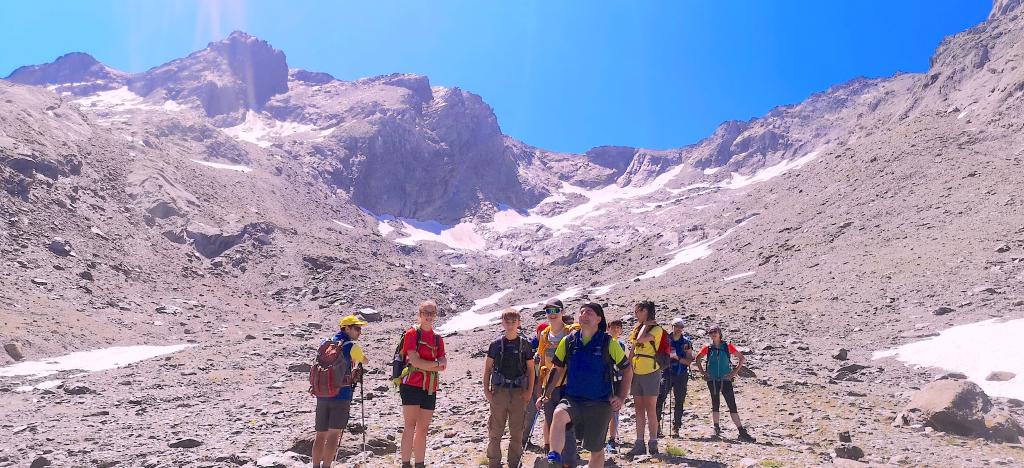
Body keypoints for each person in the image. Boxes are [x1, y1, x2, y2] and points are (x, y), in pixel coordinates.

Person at [540, 303, 632, 468]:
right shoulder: (568, 341)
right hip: (573, 398)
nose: (584, 314)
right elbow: (557, 369)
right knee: (559, 414)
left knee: (596, 449)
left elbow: (627, 369)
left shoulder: (608, 342)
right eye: (581, 312)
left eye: (589, 312)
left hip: (600, 402)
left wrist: (621, 397)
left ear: (599, 319)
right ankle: (554, 457)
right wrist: (546, 393)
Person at [312, 315, 369, 468]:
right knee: (333, 435)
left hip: (322, 394)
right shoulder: (352, 346)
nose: (359, 332)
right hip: (341, 395)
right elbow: (365, 360)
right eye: (356, 328)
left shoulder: (325, 343)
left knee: (320, 435)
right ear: (346, 328)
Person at [483, 308, 535, 468]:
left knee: (517, 431)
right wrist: (487, 390)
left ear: (519, 323)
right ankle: (494, 463)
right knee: (495, 431)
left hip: (519, 392)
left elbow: (531, 370)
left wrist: (529, 392)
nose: (510, 324)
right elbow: (488, 369)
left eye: (514, 321)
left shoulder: (525, 344)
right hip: (499, 392)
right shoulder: (495, 345)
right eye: (507, 321)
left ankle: (514, 463)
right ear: (502, 322)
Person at [399, 300, 448, 468]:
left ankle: (419, 463)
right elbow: (414, 361)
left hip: (429, 387)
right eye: (425, 313)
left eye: (432, 313)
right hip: (411, 385)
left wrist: (428, 364)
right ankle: (406, 463)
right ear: (420, 315)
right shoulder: (412, 334)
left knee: (423, 428)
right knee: (410, 425)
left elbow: (444, 364)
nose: (428, 316)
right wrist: (435, 364)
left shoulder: (438, 338)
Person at [533, 299, 578, 467]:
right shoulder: (544, 334)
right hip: (549, 386)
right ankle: (556, 460)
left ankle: (569, 462)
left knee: (567, 425)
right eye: (548, 311)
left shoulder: (571, 332)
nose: (552, 314)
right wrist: (540, 391)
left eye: (556, 310)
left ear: (562, 312)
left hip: (568, 385)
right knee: (552, 424)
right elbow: (542, 363)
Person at [694, 324, 755, 442]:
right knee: (715, 403)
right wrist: (703, 372)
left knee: (731, 404)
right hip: (712, 380)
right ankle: (717, 428)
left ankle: (741, 431)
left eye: (715, 332)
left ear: (720, 333)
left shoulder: (727, 346)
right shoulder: (708, 347)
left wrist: (734, 373)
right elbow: (698, 359)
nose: (713, 334)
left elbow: (741, 358)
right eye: (711, 332)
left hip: (725, 379)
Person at [626, 300, 669, 456]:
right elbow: (633, 348)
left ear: (645, 311)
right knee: (638, 407)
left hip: (651, 371)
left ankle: (653, 442)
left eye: (638, 311)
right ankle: (639, 442)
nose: (635, 314)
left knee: (650, 407)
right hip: (636, 370)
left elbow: (640, 340)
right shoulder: (637, 328)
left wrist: (645, 325)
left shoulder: (657, 329)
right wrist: (627, 366)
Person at [655, 317, 693, 438]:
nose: (678, 329)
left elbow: (689, 361)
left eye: (680, 327)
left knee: (679, 400)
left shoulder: (686, 342)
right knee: (660, 398)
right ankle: (656, 427)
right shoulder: (665, 341)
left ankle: (676, 427)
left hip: (681, 374)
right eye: (676, 326)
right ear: (672, 326)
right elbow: (658, 356)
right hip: (666, 372)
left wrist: (677, 358)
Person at [524, 322, 550, 448]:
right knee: (530, 411)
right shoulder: (529, 346)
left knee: (542, 412)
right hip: (530, 383)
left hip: (545, 383)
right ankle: (524, 440)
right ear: (537, 333)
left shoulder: (551, 345)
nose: (544, 334)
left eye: (546, 332)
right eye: (542, 332)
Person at [605, 318, 627, 454]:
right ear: (608, 328)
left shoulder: (621, 344)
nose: (616, 330)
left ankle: (611, 439)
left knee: (614, 410)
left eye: (618, 327)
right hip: (605, 380)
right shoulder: (603, 343)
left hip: (617, 380)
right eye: (613, 327)